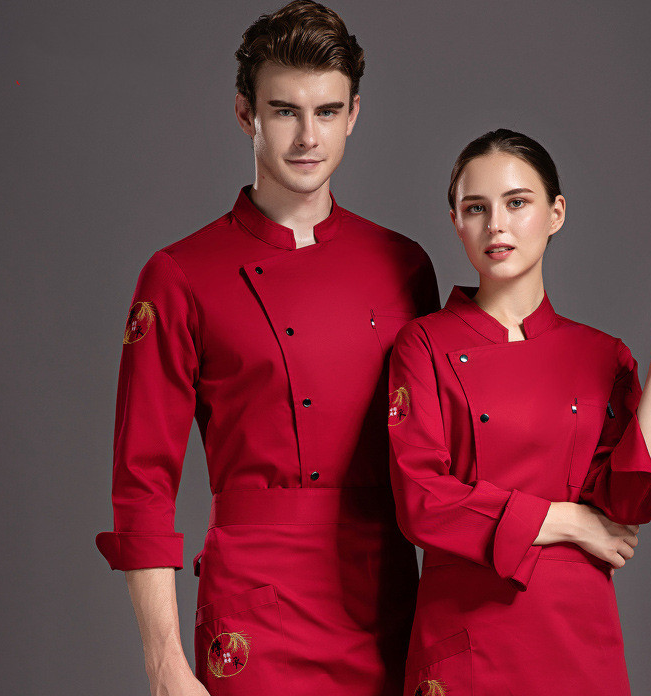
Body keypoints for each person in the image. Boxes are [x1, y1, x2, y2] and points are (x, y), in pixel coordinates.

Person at [95, 2, 439, 695]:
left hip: (389, 603)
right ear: (245, 113)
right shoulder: (180, 274)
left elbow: (444, 458)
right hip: (254, 609)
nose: (308, 137)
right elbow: (143, 482)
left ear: (353, 115)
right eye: (285, 112)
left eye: (327, 112)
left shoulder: (405, 265)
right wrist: (163, 663)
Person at [387, 128, 651, 695]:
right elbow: (423, 503)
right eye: (476, 208)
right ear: (456, 222)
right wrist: (567, 521)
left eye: (517, 203)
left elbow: (627, 503)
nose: (497, 225)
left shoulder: (602, 354)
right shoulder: (424, 345)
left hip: (576, 634)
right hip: (467, 631)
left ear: (556, 213)